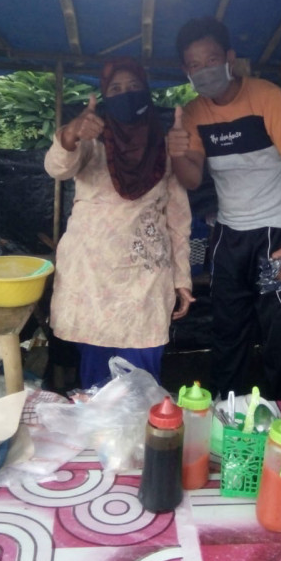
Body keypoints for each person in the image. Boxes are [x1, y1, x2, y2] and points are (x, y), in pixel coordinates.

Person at [167, 16, 281, 400]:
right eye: (195, 64)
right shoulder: (194, 113)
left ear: (230, 58)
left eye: (211, 59)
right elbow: (191, 180)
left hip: (277, 236)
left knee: (278, 331)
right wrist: (177, 153)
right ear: (186, 71)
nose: (204, 70)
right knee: (227, 330)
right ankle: (225, 410)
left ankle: (279, 412)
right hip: (228, 238)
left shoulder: (271, 99)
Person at [45, 57, 195, 389]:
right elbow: (57, 167)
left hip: (145, 280)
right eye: (115, 89)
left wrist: (182, 277)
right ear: (104, 97)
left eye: (133, 87)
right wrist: (70, 133)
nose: (125, 94)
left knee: (141, 382)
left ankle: (141, 424)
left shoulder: (165, 146)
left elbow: (178, 219)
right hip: (91, 277)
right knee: (96, 386)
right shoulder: (91, 140)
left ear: (146, 93)